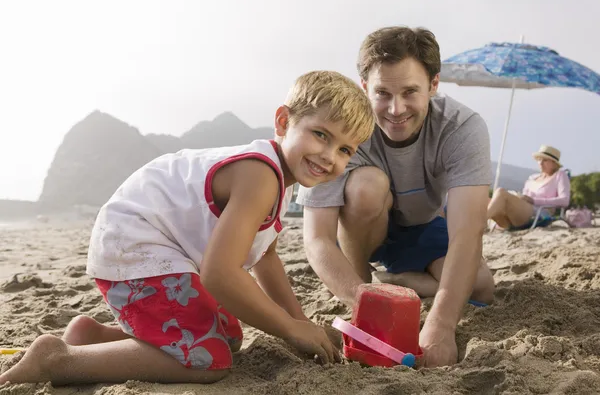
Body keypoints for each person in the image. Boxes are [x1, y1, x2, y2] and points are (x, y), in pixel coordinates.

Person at [0, 71, 375, 386]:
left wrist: (299, 323)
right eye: (321, 135)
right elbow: (219, 275)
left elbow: (266, 258)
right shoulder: (261, 176)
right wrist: (290, 330)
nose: (329, 156)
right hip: (136, 245)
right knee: (208, 362)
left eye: (345, 150)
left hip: (146, 242)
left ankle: (91, 339)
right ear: (282, 121)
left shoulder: (278, 178)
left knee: (228, 335)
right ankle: (58, 359)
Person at [296, 26, 496, 368]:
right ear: (364, 87)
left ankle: (396, 283)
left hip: (422, 225)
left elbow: (467, 232)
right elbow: (317, 239)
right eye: (383, 93)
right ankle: (366, 283)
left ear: (434, 84)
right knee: (367, 185)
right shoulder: (341, 128)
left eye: (410, 91)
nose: (395, 108)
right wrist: (364, 304)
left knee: (482, 286)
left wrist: (441, 324)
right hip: (364, 224)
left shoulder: (462, 127)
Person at [488, 145, 570, 229]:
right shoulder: (532, 178)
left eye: (545, 160)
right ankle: (484, 222)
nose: (540, 163)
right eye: (539, 159)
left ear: (554, 163)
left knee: (500, 192)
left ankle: (480, 221)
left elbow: (564, 200)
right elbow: (525, 197)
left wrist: (533, 200)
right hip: (523, 211)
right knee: (488, 200)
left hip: (539, 212)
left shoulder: (559, 175)